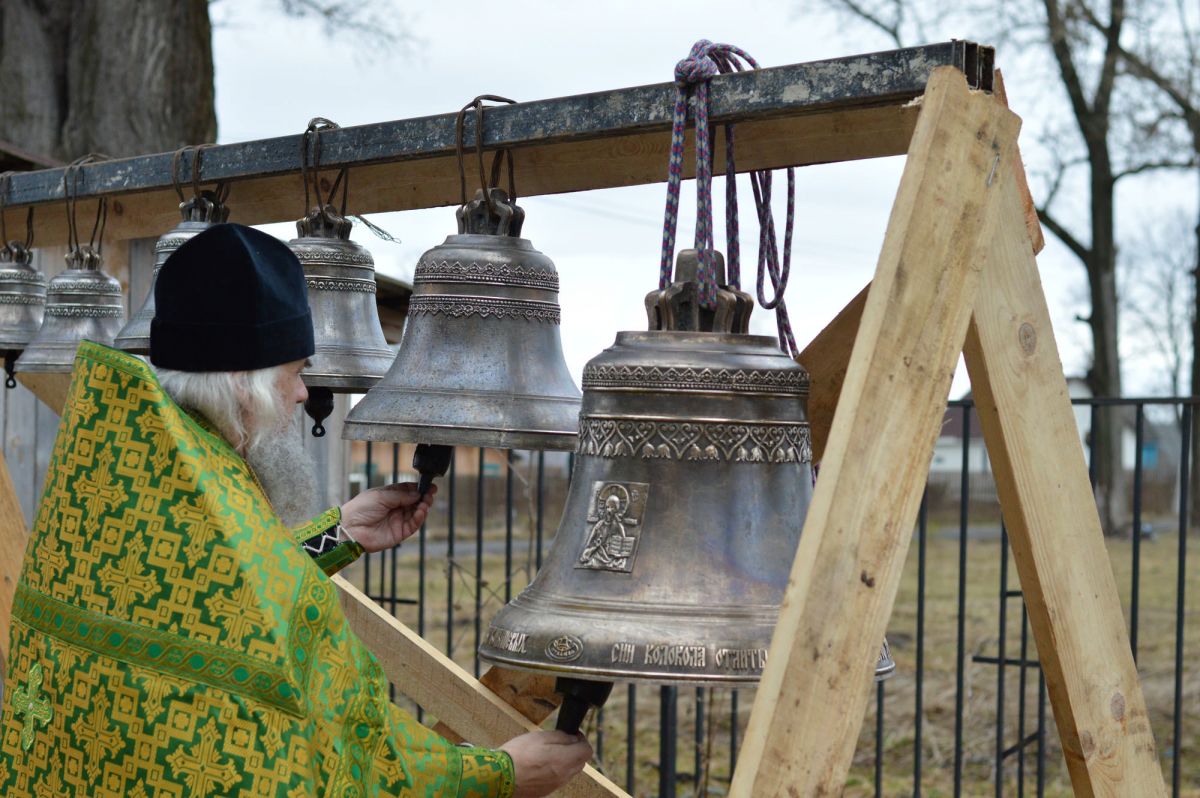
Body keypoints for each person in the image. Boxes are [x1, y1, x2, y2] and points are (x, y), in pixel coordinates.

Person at [0, 223, 591, 797]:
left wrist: (338, 533)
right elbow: (355, 767)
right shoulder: (251, 553)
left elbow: (207, 589)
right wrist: (500, 774)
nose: (306, 393)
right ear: (242, 382)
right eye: (295, 372)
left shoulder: (115, 472)